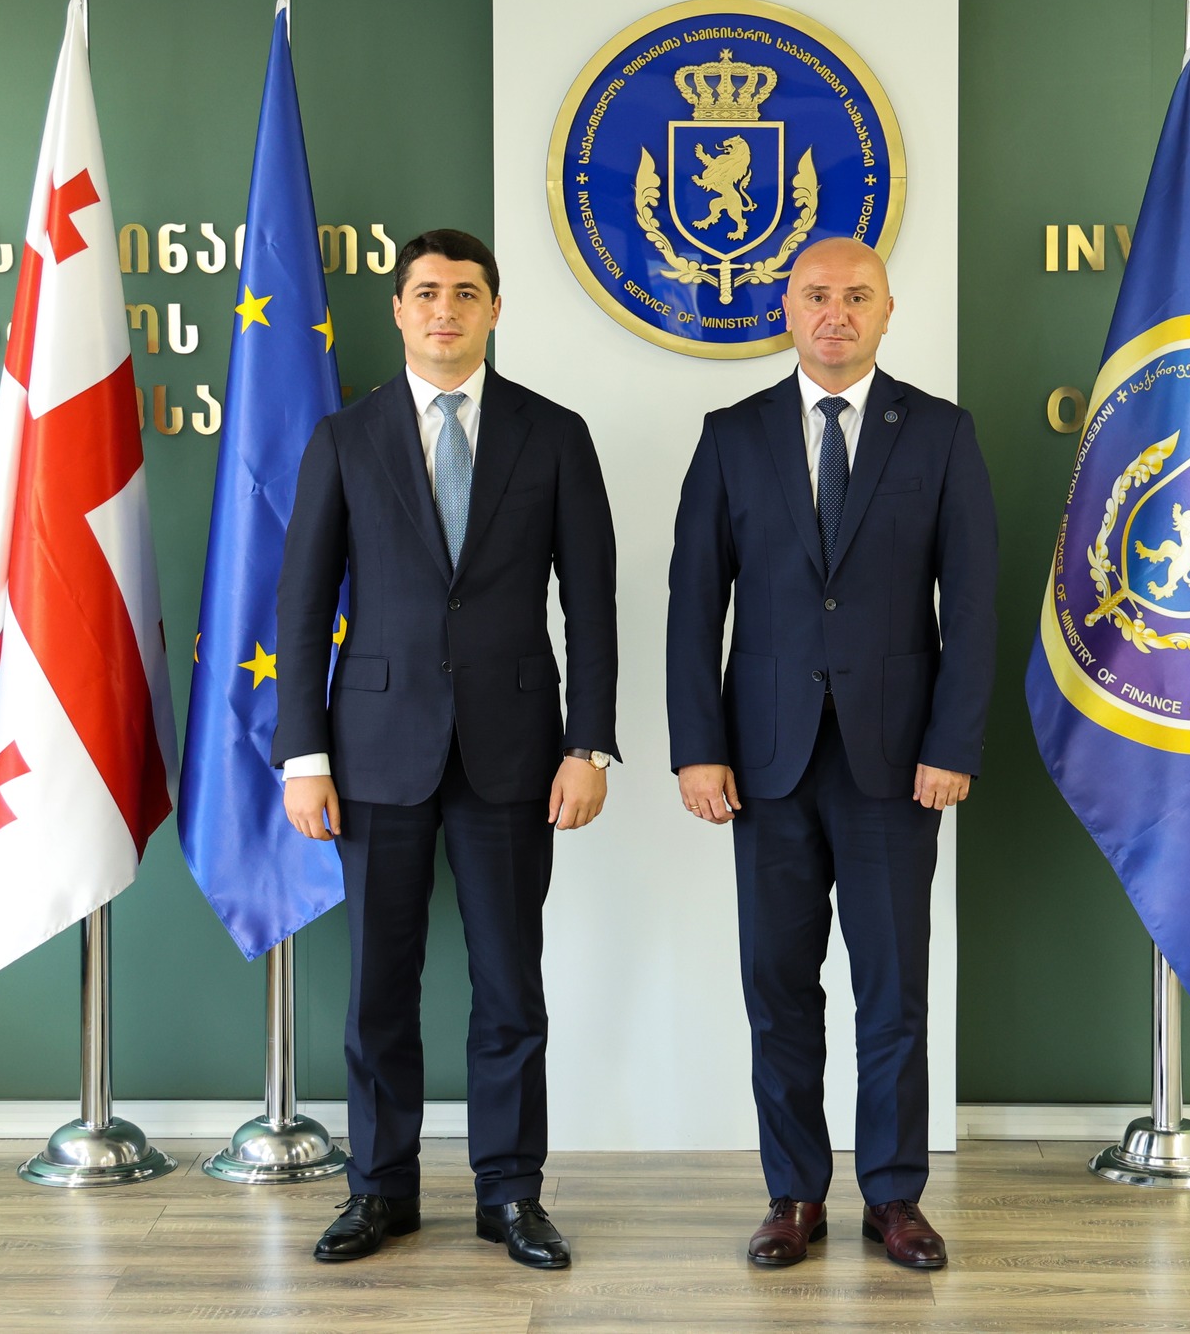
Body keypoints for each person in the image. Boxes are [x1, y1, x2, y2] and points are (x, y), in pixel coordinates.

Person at [274, 228, 618, 1270]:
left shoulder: (554, 434)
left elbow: (591, 603)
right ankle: (379, 1189)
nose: (445, 309)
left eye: (466, 293)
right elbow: (301, 606)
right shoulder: (345, 436)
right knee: (379, 987)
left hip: (516, 753)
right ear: (398, 308)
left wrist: (589, 744)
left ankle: (510, 1194)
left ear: (494, 310)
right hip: (372, 750)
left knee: (510, 987)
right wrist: (302, 755)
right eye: (426, 292)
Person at [665, 237, 998, 1270]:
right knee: (778, 987)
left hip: (897, 765)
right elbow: (693, 606)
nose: (835, 313)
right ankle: (793, 1194)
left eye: (857, 296)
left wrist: (952, 740)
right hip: (763, 764)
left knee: (892, 990)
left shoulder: (939, 433)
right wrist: (696, 749)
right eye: (816, 295)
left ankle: (893, 1195)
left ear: (887, 310)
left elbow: (973, 603)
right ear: (787, 308)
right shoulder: (731, 436)